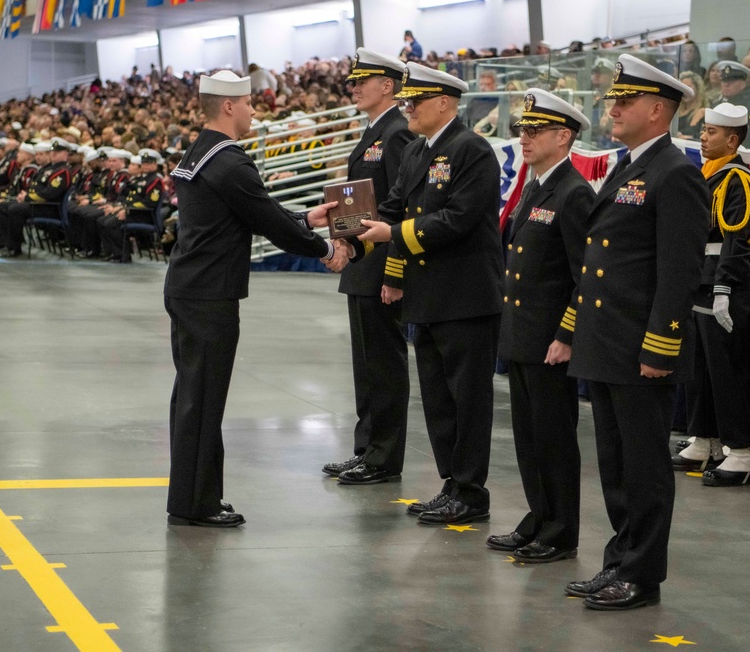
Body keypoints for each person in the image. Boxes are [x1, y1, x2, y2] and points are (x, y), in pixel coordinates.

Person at [164, 70, 347, 528]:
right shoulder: (231, 161)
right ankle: (195, 504)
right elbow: (267, 222)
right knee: (203, 398)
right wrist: (325, 248)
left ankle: (198, 494)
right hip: (210, 294)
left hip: (191, 287)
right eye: (248, 103)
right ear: (228, 106)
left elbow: (250, 212)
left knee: (193, 396)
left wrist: (306, 216)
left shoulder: (201, 151)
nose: (252, 111)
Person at [564, 54, 708, 611]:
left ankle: (642, 575)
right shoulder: (629, 166)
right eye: (613, 99)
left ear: (657, 110)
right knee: (616, 464)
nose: (614, 107)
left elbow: (678, 272)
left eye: (626, 101)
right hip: (607, 342)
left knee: (644, 468)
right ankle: (620, 559)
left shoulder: (675, 173)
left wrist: (661, 344)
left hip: (640, 347)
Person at [357, 63, 504, 526]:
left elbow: (457, 219)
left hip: (465, 297)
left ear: (445, 103)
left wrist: (391, 232)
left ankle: (471, 491)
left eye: (414, 101)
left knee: (467, 400)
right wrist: (347, 230)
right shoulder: (419, 150)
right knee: (439, 401)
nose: (407, 108)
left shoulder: (472, 150)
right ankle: (451, 483)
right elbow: (394, 205)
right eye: (405, 101)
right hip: (428, 296)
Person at [486, 89, 594, 563]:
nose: (523, 139)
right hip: (524, 335)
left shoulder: (573, 193)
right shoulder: (535, 185)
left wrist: (566, 334)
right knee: (529, 439)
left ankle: (561, 530)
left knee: (553, 439)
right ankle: (539, 515)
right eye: (522, 130)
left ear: (563, 135)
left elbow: (583, 275)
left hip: (549, 339)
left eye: (534, 131)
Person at [321, 50, 414, 485]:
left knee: (384, 365)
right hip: (363, 264)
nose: (354, 87)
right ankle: (367, 448)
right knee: (366, 366)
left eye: (364, 81)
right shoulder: (376, 131)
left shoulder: (396, 133)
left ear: (389, 86)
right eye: (353, 81)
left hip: (381, 268)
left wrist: (394, 272)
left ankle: (384, 456)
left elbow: (400, 208)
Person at [673, 103, 750, 486]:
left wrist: (725, 288)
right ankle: (705, 438)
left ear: (732, 139)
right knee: (699, 369)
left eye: (712, 132)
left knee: (726, 371)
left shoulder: (737, 179)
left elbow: (737, 240)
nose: (703, 137)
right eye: (704, 130)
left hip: (723, 287)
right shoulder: (708, 175)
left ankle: (741, 452)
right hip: (701, 282)